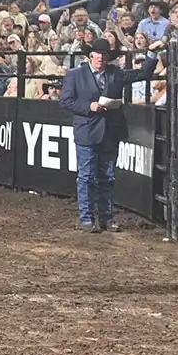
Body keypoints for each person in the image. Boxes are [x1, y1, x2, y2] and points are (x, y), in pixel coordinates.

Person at [58, 39, 137, 233]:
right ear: (90, 55)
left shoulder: (115, 73)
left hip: (108, 131)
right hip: (87, 130)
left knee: (107, 177)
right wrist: (89, 107)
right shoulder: (75, 75)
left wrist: (152, 54)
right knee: (86, 177)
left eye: (104, 53)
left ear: (108, 57)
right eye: (97, 53)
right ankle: (87, 218)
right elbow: (66, 101)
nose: (101, 56)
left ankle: (105, 218)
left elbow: (141, 74)